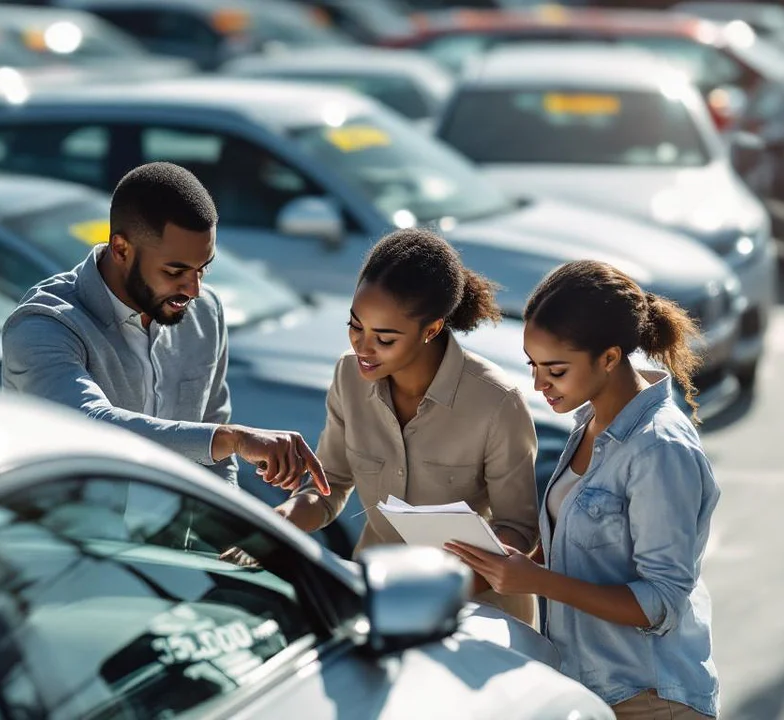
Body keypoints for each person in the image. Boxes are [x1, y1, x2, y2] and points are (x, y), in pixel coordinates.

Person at [445, 260, 720, 719]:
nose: (538, 383)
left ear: (609, 358)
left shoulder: (658, 449)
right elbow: (584, 553)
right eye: (533, 365)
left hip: (650, 700)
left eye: (555, 369)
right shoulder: (590, 423)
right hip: (588, 689)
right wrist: (497, 565)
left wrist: (535, 581)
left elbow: (662, 601)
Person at [2, 161, 328, 494]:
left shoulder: (205, 312)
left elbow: (214, 448)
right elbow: (90, 426)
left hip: (171, 542)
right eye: (175, 272)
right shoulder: (44, 324)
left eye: (203, 269)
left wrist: (225, 538)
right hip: (68, 541)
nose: (193, 290)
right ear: (121, 249)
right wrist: (232, 439)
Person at [274, 227, 541, 626]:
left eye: (384, 338)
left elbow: (519, 531)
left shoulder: (497, 401)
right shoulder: (348, 378)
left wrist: (442, 589)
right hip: (376, 602)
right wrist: (280, 522)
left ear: (431, 330)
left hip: (478, 617)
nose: (362, 347)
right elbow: (328, 486)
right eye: (355, 326)